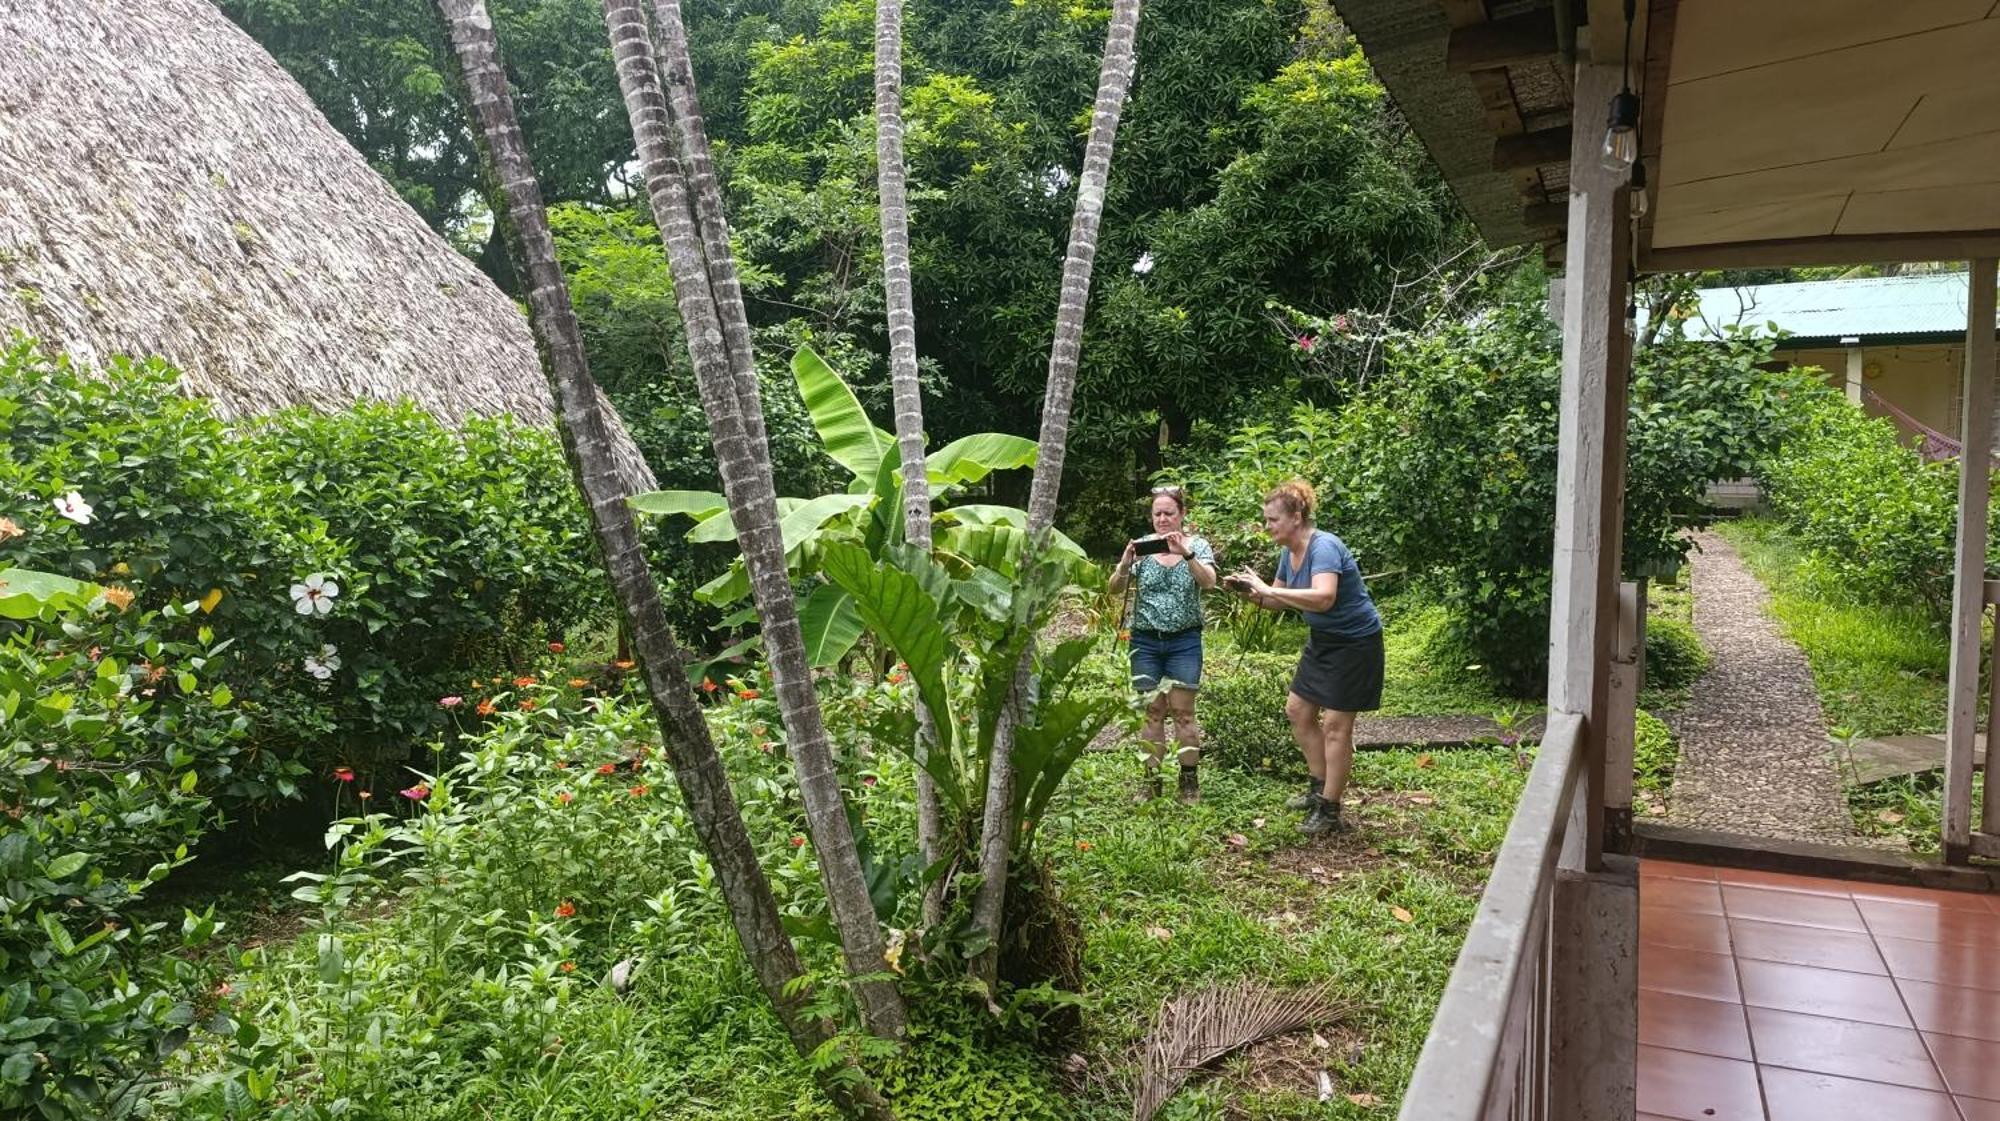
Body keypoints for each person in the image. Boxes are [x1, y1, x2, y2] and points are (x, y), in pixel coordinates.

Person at [1225, 479, 1383, 835]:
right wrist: (1250, 592)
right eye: (1266, 520)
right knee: (1297, 711)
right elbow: (1276, 600)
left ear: (1296, 516)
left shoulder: (1324, 547)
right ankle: (1318, 787)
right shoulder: (1288, 551)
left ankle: (1330, 811)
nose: (1267, 527)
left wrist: (1267, 590)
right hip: (1324, 640)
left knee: (1336, 727)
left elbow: (1325, 597)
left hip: (1355, 643)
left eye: (1272, 520)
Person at [1109, 484, 1217, 803]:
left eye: (1169, 512)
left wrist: (1186, 553)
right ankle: (1151, 781)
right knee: (1151, 712)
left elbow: (1209, 582)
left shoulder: (1197, 545)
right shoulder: (1143, 547)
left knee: (1183, 713)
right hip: (1146, 640)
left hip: (1184, 640)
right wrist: (1125, 563)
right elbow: (1115, 589)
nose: (1162, 518)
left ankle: (1188, 782)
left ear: (1182, 514)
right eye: (1157, 513)